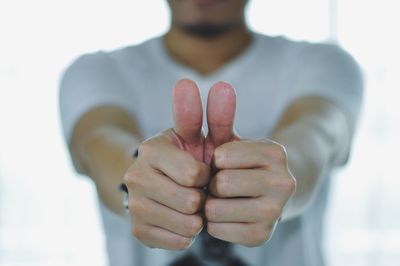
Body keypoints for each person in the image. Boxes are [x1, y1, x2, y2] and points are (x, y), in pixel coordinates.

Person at [59, 0, 363, 265]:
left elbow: (317, 138)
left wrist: (284, 177)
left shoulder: (322, 63)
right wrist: (136, 178)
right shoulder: (98, 70)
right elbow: (97, 143)